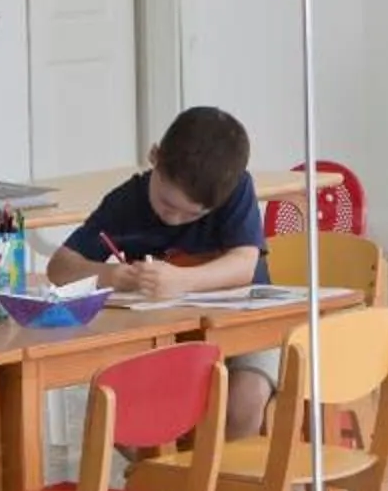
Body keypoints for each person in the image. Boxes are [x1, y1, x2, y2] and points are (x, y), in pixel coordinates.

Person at [49, 106, 277, 440]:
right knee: (119, 409)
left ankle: (224, 485)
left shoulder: (235, 189)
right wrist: (112, 276)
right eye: (167, 205)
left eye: (192, 215)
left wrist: (183, 280)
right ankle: (167, 481)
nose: (174, 219)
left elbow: (244, 263)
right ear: (154, 156)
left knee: (244, 400)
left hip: (246, 329)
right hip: (168, 344)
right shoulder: (127, 203)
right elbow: (60, 267)